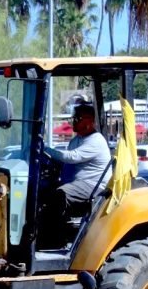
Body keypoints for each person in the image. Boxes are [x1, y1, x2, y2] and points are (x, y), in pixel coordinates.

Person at [43, 103, 112, 241]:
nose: (73, 121)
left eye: (77, 118)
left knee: (60, 194)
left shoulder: (96, 140)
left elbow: (71, 157)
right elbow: (65, 161)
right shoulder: (77, 140)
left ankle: (53, 238)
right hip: (80, 184)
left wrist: (43, 148)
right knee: (43, 192)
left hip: (94, 186)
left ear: (89, 121)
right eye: (73, 118)